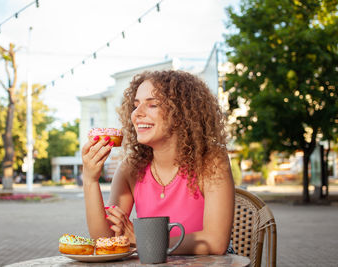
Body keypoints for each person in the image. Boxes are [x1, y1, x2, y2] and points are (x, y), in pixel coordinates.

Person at [82, 70, 235, 255]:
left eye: (152, 105)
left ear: (181, 114)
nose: (137, 114)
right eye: (135, 105)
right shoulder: (130, 169)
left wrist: (143, 240)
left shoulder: (211, 160)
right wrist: (90, 181)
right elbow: (105, 241)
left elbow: (215, 242)